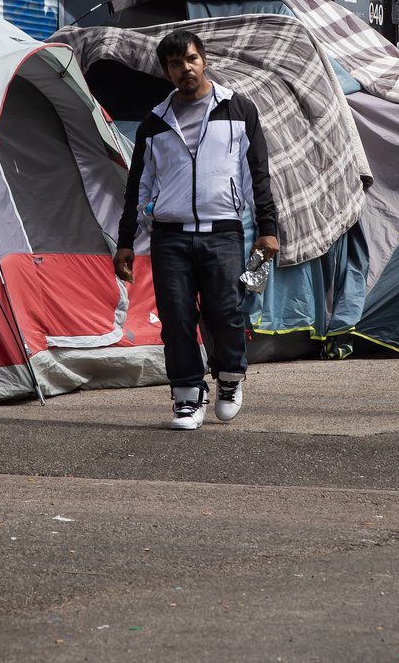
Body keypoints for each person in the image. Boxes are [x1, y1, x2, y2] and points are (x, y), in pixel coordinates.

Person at [113, 29, 280, 431]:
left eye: (190, 59)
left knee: (226, 312)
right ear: (166, 70)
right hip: (170, 236)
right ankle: (187, 395)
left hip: (223, 230)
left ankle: (229, 378)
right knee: (176, 317)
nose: (184, 69)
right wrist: (124, 242)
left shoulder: (238, 109)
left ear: (203, 59)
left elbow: (258, 173)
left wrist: (267, 227)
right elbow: (138, 186)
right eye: (174, 63)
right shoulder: (154, 123)